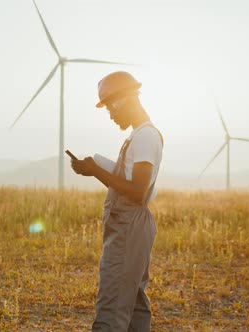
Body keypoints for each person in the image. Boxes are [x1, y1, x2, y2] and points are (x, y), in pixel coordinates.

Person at [70, 71, 163, 331]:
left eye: (110, 105)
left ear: (123, 100)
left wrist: (96, 171)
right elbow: (135, 186)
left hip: (128, 228)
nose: (110, 113)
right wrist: (95, 168)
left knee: (111, 308)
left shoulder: (145, 136)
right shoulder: (140, 135)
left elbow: (137, 190)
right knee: (133, 304)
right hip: (130, 226)